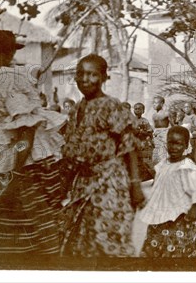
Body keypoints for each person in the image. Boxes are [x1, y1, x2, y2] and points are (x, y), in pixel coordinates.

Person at [0, 27, 65, 257]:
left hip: (13, 164)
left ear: (3, 55)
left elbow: (25, 131)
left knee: (18, 218)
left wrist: (15, 174)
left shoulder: (8, 80)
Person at [60, 54, 145, 257]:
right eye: (80, 74)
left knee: (108, 240)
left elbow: (129, 147)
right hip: (83, 183)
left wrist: (135, 185)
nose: (85, 79)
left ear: (104, 77)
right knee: (83, 241)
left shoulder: (111, 105)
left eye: (92, 74)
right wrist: (64, 187)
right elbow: (72, 153)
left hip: (109, 183)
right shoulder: (76, 110)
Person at [132, 126, 196, 257]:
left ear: (186, 145)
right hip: (159, 214)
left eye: (178, 144)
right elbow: (158, 185)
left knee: (177, 247)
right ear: (166, 143)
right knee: (155, 245)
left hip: (180, 217)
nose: (174, 147)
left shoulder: (187, 168)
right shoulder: (162, 165)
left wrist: (193, 214)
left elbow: (195, 193)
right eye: (171, 142)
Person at [133, 102, 155, 182]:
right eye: (136, 109)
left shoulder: (145, 121)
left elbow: (150, 132)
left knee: (146, 161)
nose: (137, 110)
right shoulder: (131, 120)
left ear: (143, 111)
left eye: (140, 109)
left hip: (143, 144)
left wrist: (141, 132)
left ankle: (154, 177)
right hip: (133, 144)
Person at [181, 102, 196, 170]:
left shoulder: (194, 116)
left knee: (194, 154)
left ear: (191, 108)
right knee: (187, 154)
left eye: (188, 107)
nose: (186, 108)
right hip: (187, 137)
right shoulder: (184, 117)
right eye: (185, 107)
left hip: (193, 136)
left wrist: (191, 127)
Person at [151, 96, 170, 165]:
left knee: (164, 152)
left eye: (156, 103)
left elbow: (172, 124)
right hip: (156, 135)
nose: (154, 104)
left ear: (162, 104)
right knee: (156, 153)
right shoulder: (154, 115)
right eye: (153, 103)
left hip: (165, 134)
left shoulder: (166, 113)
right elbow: (153, 126)